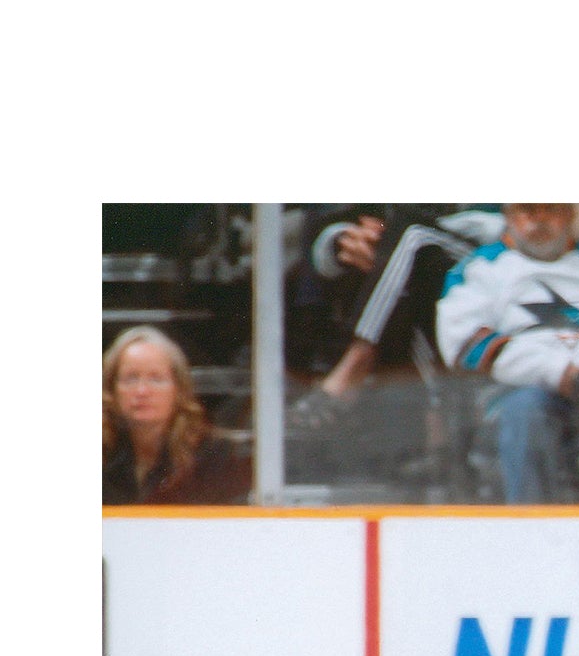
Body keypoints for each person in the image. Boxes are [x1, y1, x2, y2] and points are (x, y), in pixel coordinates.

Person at [436, 203, 579, 503]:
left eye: (551, 209)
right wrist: (560, 373)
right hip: (514, 394)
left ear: (570, 213)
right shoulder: (480, 268)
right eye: (528, 210)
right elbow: (465, 344)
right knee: (528, 410)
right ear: (508, 215)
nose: (539, 221)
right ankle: (533, 523)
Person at [286, 205, 505, 429]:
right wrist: (346, 239)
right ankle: (436, 429)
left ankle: (355, 364)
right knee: (400, 260)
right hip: (408, 253)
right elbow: (331, 222)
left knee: (412, 235)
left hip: (496, 252)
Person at [102, 326, 251, 505]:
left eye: (156, 379)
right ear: (111, 389)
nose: (142, 391)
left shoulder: (215, 456)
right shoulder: (104, 453)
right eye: (131, 378)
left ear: (178, 389)